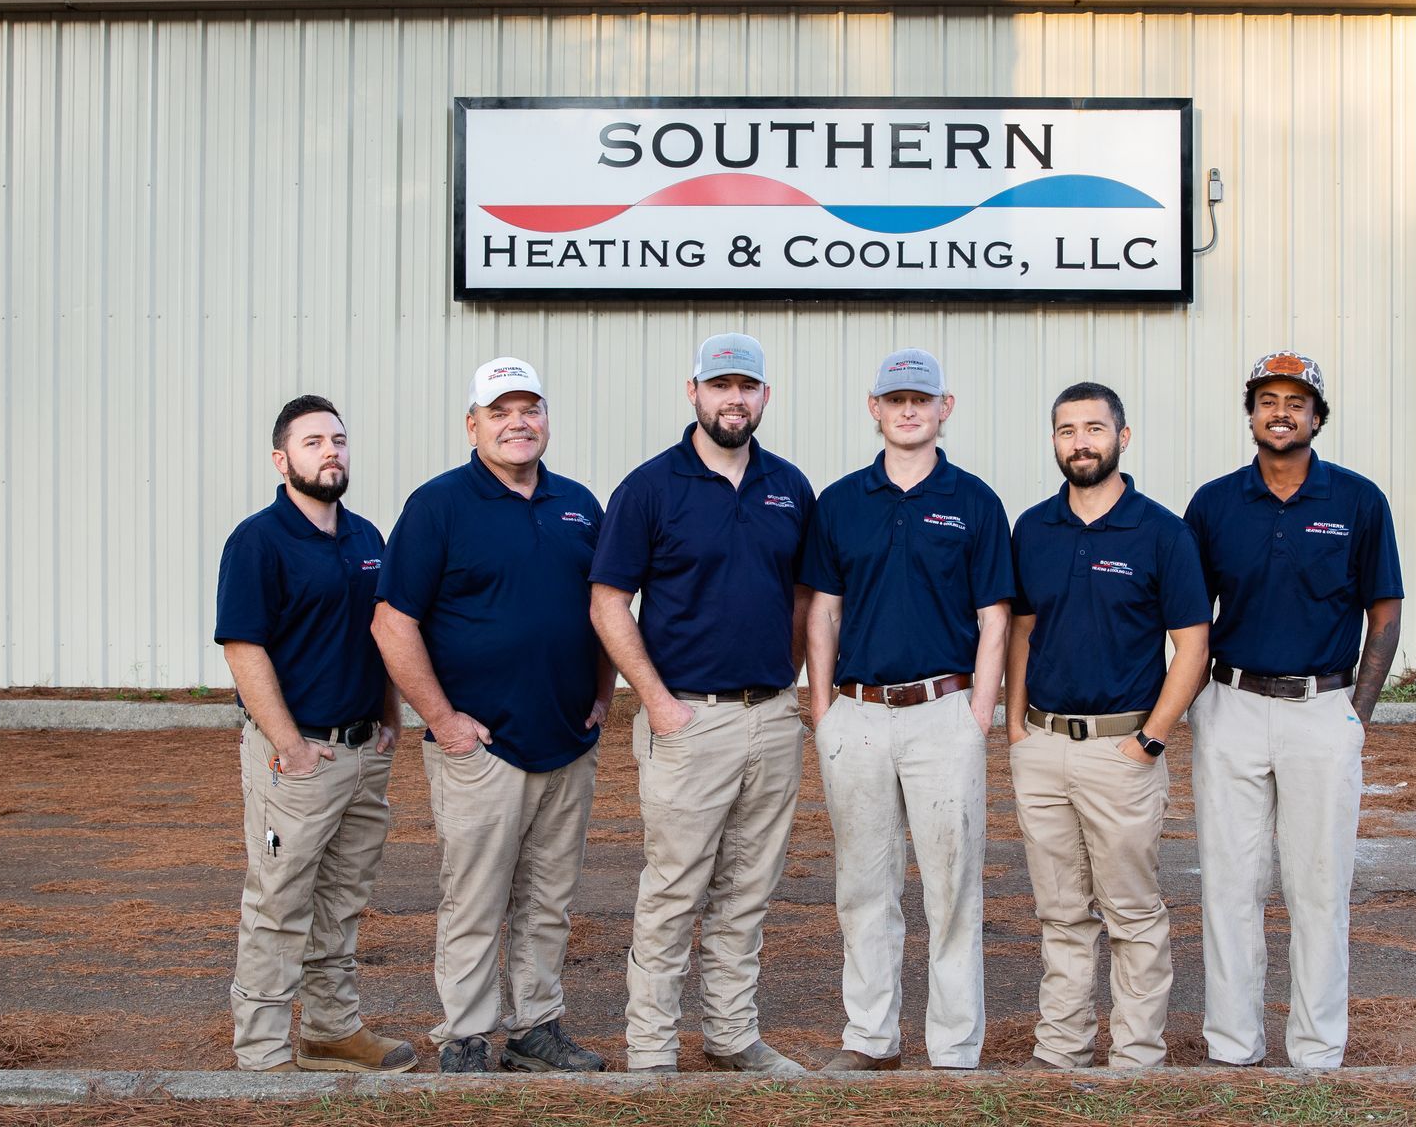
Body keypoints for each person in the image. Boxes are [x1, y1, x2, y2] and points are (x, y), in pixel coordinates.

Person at [372, 358, 614, 1074]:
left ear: (546, 419)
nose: (518, 423)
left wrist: (603, 693)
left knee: (548, 900)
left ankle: (536, 1028)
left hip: (567, 741)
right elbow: (392, 621)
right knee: (475, 898)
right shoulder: (438, 505)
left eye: (529, 409)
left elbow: (603, 609)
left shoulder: (578, 505)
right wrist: (443, 720)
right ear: (472, 424)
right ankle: (467, 1035)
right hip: (482, 747)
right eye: (500, 411)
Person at [589, 332, 815, 1076]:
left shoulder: (789, 486)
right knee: (674, 893)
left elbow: (805, 598)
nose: (733, 399)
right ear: (694, 392)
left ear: (764, 397)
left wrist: (796, 686)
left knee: (748, 892)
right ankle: (650, 1050)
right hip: (688, 720)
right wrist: (655, 701)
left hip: (772, 718)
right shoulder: (651, 487)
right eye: (720, 386)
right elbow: (609, 602)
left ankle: (731, 1036)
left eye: (746, 387)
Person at [1184, 351, 1404, 1070]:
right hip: (1232, 705)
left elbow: (1386, 611)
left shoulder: (1358, 501)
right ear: (1250, 413)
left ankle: (1316, 1052)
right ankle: (1232, 1047)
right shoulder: (1214, 503)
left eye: (1296, 401)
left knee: (1317, 887)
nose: (1281, 411)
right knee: (1231, 885)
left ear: (1317, 416)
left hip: (1323, 707)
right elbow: (1189, 618)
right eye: (1267, 399)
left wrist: (1356, 714)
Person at [802, 348, 1014, 1071]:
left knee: (953, 888)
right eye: (895, 399)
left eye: (921, 398)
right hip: (857, 715)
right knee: (863, 885)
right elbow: (823, 613)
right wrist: (824, 709)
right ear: (875, 408)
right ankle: (871, 1038)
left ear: (943, 407)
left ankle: (954, 1046)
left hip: (943, 712)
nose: (909, 410)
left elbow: (994, 618)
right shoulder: (839, 502)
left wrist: (978, 713)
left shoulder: (976, 501)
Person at [1005, 381, 1210, 1069]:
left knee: (1132, 915)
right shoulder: (1033, 528)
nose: (1081, 442)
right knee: (1060, 913)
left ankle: (1136, 1057)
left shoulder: (1161, 532)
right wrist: (1014, 726)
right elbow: (1023, 632)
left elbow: (1194, 646)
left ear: (1123, 438)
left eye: (1095, 428)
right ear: (1055, 442)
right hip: (1041, 747)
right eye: (1067, 430)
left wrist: (1150, 739)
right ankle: (1060, 1049)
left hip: (1122, 752)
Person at [216, 394, 415, 1075]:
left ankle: (331, 1030)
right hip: (298, 757)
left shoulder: (366, 538)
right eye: (311, 443)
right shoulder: (257, 541)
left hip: (363, 755)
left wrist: (390, 714)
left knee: (342, 900)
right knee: (278, 901)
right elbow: (244, 648)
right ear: (282, 459)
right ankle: (263, 1053)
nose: (330, 451)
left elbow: (382, 632)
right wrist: (289, 744)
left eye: (338, 439)